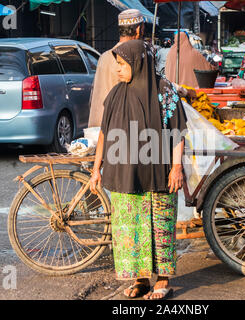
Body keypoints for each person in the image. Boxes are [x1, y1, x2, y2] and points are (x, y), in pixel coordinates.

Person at [89, 39, 187, 300]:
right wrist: (96, 168)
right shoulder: (116, 93)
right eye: (117, 65)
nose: (119, 70)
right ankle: (141, 279)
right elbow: (103, 134)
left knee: (159, 228)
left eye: (122, 64)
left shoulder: (165, 91)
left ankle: (162, 280)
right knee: (132, 230)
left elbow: (178, 132)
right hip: (125, 175)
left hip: (160, 174)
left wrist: (177, 167)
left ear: (138, 62)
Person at [87, 9, 145, 128]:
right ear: (138, 30)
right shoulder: (135, 58)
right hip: (119, 129)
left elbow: (93, 94)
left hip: (98, 125)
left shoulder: (103, 57)